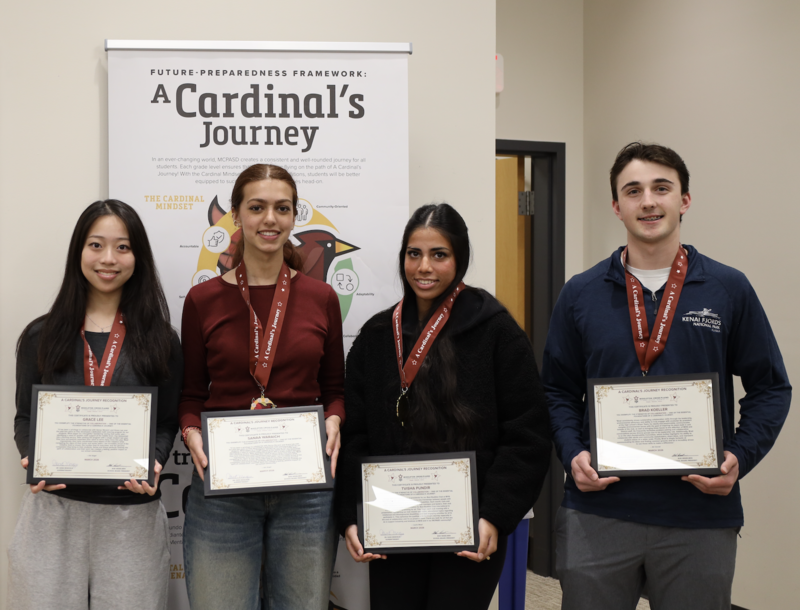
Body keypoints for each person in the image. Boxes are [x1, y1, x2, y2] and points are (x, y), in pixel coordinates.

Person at [542, 142, 792, 610]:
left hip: (698, 513)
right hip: (598, 510)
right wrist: (573, 452)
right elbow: (556, 389)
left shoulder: (727, 288)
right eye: (633, 191)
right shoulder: (580, 293)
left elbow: (771, 387)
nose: (648, 202)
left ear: (685, 200)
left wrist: (739, 456)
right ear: (616, 206)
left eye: (661, 188)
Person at [336, 203, 551, 610]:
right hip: (391, 523)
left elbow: (527, 433)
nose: (424, 267)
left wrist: (495, 514)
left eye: (439, 255)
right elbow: (355, 432)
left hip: (469, 525)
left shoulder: (497, 331)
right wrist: (351, 513)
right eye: (414, 254)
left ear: (460, 258)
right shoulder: (377, 335)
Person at [179, 164, 344, 610]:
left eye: (282, 208)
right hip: (223, 485)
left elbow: (334, 389)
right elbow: (191, 394)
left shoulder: (322, 298)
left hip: (304, 488)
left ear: (294, 217)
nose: (270, 219)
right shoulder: (202, 300)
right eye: (256, 207)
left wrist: (334, 419)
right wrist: (191, 432)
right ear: (236, 215)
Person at [10, 199, 182, 610]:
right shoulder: (41, 336)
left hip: (131, 517)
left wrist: (155, 460)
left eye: (123, 247)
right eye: (96, 245)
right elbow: (25, 416)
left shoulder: (162, 340)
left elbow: (166, 422)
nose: (108, 259)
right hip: (53, 514)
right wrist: (32, 455)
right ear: (79, 251)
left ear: (138, 257)